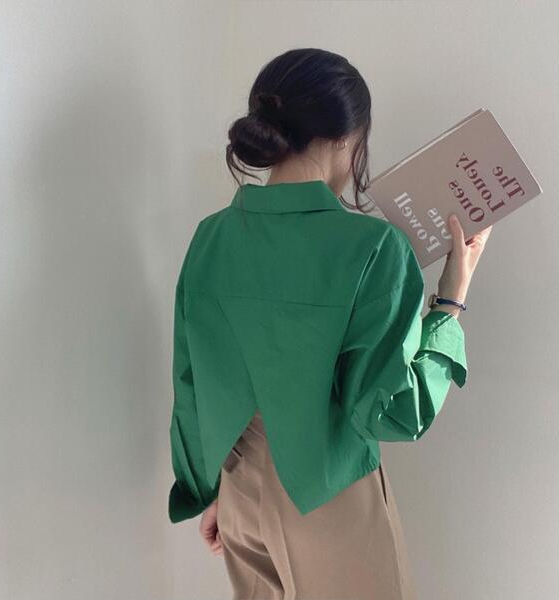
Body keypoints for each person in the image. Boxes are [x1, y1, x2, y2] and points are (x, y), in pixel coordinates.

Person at [168, 48, 492, 600]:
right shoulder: (374, 247)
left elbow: (193, 387)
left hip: (238, 490)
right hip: (330, 498)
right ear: (347, 137)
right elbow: (395, 411)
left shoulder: (211, 237)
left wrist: (213, 489)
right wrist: (449, 302)